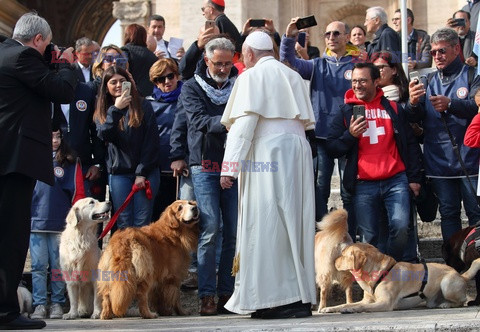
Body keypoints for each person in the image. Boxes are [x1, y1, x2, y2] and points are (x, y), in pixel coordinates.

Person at [220, 30, 316, 319]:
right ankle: (299, 298)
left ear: (248, 54)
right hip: (297, 152)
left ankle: (275, 299)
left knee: (267, 223)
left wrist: (229, 168)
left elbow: (243, 125)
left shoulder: (250, 77)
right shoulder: (292, 76)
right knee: (295, 225)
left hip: (267, 153)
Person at [0, 12, 76, 330]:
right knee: (11, 237)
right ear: (39, 40)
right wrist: (65, 62)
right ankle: (5, 313)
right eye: (46, 48)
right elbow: (63, 91)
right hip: (14, 161)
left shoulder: (5, 53)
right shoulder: (23, 58)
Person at [326, 62, 422, 262]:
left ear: (376, 82)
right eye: (354, 81)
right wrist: (350, 135)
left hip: (396, 180)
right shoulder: (345, 111)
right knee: (369, 237)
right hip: (364, 184)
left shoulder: (394, 108)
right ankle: (382, 280)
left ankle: (390, 266)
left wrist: (414, 177)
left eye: (363, 80)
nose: (357, 85)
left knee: (401, 227)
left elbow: (410, 144)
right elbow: (332, 148)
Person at [280, 19, 359, 239]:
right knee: (320, 190)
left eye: (336, 33)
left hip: (349, 135)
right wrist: (289, 35)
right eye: (327, 34)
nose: (331, 38)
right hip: (322, 136)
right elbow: (287, 60)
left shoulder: (356, 66)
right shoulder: (317, 65)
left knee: (349, 191)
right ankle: (324, 237)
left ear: (346, 37)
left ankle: (350, 236)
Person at [180, 36, 238, 315]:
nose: (224, 68)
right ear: (206, 60)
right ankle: (206, 295)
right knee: (210, 229)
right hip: (205, 164)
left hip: (235, 163)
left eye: (228, 63)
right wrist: (233, 122)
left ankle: (227, 292)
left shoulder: (241, 85)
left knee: (233, 232)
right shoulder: (191, 87)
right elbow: (199, 121)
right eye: (218, 63)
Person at [406, 28, 480, 242]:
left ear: (457, 49)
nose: (437, 56)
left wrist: (451, 105)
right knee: (449, 215)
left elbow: (476, 107)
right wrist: (412, 102)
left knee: (476, 215)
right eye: (434, 52)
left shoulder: (472, 75)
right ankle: (454, 267)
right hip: (439, 162)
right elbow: (413, 116)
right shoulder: (427, 79)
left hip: (470, 161)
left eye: (442, 51)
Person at [94, 66, 161, 229]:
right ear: (106, 86)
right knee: (123, 221)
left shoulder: (143, 105)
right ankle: (126, 255)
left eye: (122, 81)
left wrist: (142, 173)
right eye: (113, 82)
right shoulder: (104, 110)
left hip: (145, 172)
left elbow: (151, 142)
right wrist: (116, 110)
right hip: (119, 173)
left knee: (142, 222)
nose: (118, 85)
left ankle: (141, 255)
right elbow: (104, 135)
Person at [29, 128, 81, 320]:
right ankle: (39, 304)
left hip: (60, 223)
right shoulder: (31, 157)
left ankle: (58, 303)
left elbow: (77, 193)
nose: (54, 140)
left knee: (59, 267)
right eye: (50, 136)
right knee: (38, 266)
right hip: (35, 221)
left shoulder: (69, 161)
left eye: (58, 136)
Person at [147, 58, 184, 218]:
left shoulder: (188, 99)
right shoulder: (149, 104)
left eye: (170, 76)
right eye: (160, 79)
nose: (167, 82)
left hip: (182, 167)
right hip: (157, 167)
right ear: (155, 82)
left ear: (177, 76)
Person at [121, 24, 158, 97]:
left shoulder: (124, 51)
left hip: (129, 94)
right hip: (149, 96)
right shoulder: (153, 56)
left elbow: (121, 72)